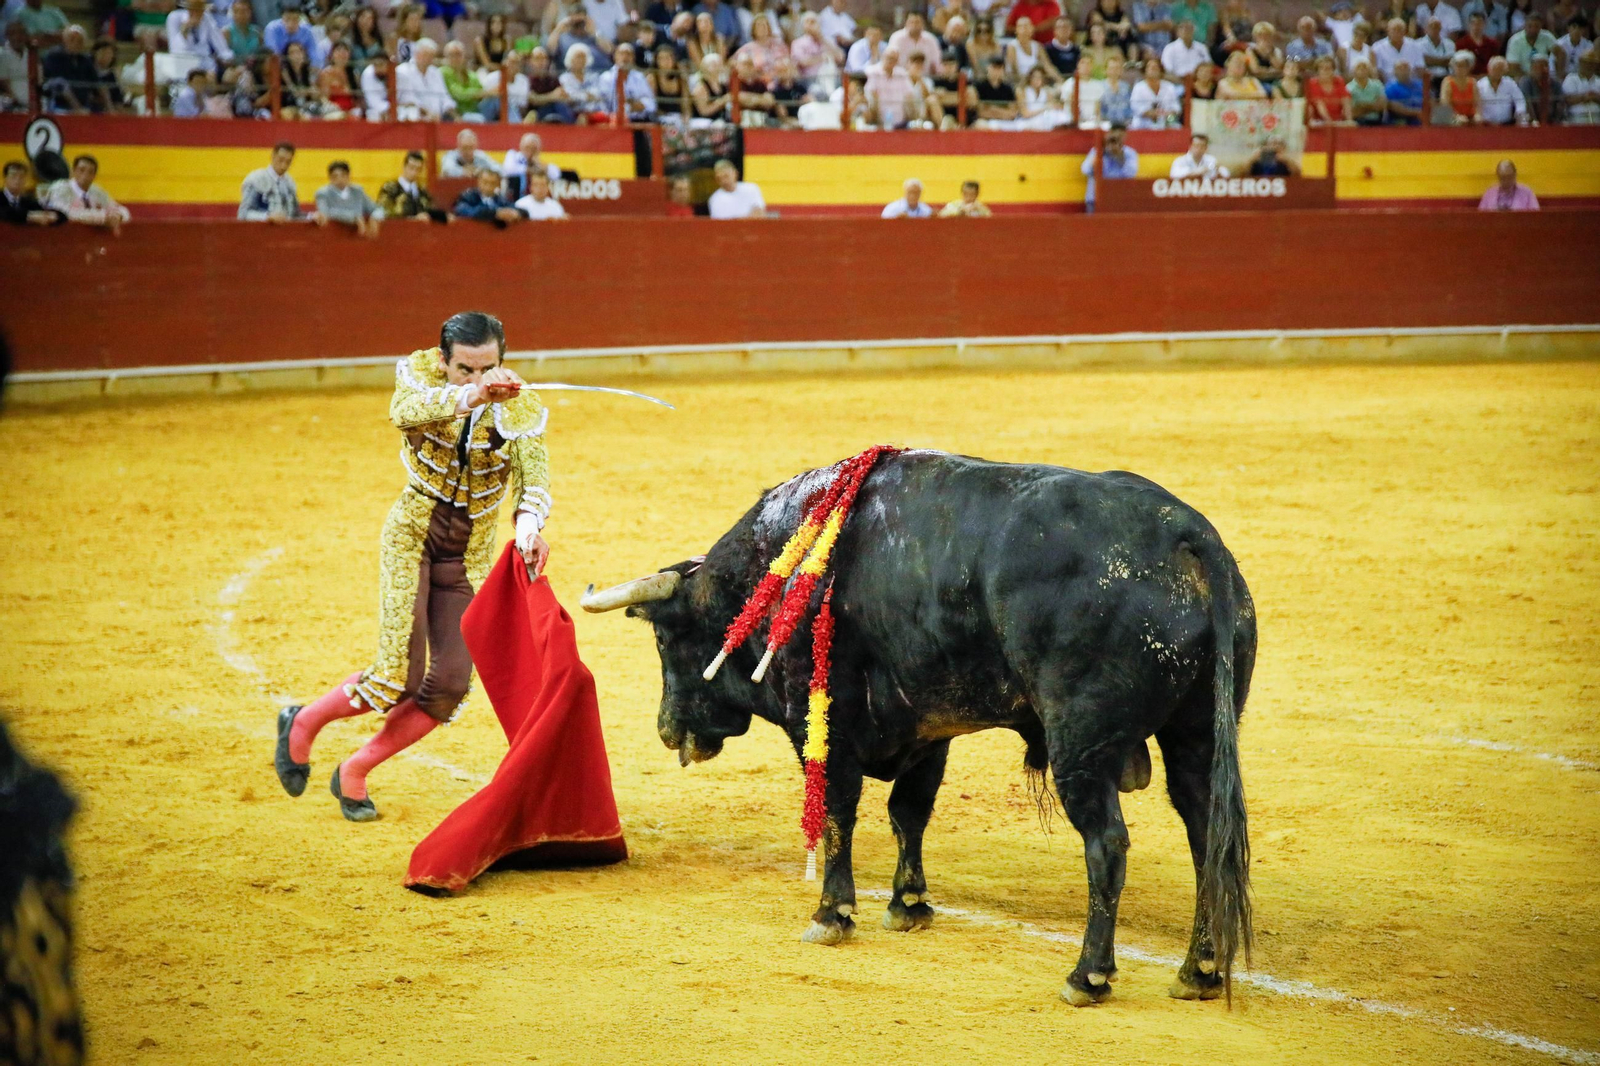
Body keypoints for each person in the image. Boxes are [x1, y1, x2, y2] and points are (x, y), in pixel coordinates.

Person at [274, 312, 551, 821]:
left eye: (487, 367)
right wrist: (472, 397)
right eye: (465, 368)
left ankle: (354, 770)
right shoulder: (420, 378)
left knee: (448, 686)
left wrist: (529, 528)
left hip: (466, 556)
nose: (478, 377)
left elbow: (534, 478)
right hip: (412, 537)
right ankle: (302, 722)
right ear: (444, 361)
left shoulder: (520, 403)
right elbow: (406, 413)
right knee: (396, 676)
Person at [42, 152, 129, 229]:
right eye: (81, 170)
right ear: (74, 171)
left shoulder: (98, 192)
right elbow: (66, 214)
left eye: (90, 172)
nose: (85, 175)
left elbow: (122, 210)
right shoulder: (60, 189)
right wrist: (103, 217)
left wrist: (118, 216)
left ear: (94, 175)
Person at [1080, 121, 1138, 210]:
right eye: (1114, 137)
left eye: (1120, 137)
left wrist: (1119, 156)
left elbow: (1131, 174)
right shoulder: (1097, 151)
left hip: (1118, 198)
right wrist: (1102, 149)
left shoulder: (1129, 153)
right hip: (1095, 198)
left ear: (1125, 137)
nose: (1117, 140)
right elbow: (1085, 170)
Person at [314, 159, 381, 236]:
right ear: (330, 178)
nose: (340, 179)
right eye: (335, 176)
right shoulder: (323, 193)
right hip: (334, 236)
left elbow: (377, 209)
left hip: (359, 237)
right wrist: (354, 218)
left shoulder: (357, 191)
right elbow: (325, 213)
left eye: (343, 175)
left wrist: (374, 218)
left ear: (349, 176)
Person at [166, 0, 233, 76]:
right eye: (193, 10)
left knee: (213, 74)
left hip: (204, 61)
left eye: (199, 11)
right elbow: (175, 48)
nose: (196, 13)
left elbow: (218, 41)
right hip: (184, 60)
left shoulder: (207, 18)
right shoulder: (174, 18)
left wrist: (227, 57)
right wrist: (185, 31)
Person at [238, 142, 302, 221]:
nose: (283, 166)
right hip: (261, 232)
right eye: (280, 160)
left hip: (286, 232)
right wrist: (267, 217)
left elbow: (295, 215)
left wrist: (311, 217)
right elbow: (243, 214)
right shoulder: (256, 179)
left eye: (288, 162)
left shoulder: (290, 183)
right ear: (272, 156)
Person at [41, 24, 97, 113]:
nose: (76, 43)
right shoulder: (54, 56)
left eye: (80, 41)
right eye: (72, 40)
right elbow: (59, 84)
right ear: (65, 40)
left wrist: (110, 109)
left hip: (84, 107)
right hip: (59, 106)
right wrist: (78, 109)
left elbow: (97, 83)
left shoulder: (85, 60)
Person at [396, 38, 453, 121]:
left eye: (431, 56)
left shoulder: (436, 72)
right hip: (413, 118)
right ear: (416, 54)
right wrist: (428, 113)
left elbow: (444, 96)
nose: (429, 59)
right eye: (426, 55)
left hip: (437, 119)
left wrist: (450, 110)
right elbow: (408, 99)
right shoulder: (403, 71)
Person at [599, 41, 657, 120]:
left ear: (633, 58)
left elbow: (651, 103)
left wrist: (641, 105)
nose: (625, 57)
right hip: (613, 122)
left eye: (628, 54)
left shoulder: (639, 77)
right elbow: (604, 103)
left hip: (638, 121)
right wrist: (627, 107)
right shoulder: (606, 77)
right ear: (615, 56)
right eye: (622, 54)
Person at [378, 151, 444, 220]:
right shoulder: (389, 189)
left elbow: (431, 210)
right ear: (404, 167)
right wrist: (413, 219)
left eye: (418, 169)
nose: (414, 172)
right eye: (411, 167)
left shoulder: (422, 192)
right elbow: (384, 212)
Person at [502, 132, 562, 200]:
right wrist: (529, 169)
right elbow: (507, 169)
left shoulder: (540, 163)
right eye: (527, 147)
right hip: (514, 198)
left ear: (539, 150)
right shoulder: (513, 156)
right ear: (521, 146)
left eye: (533, 148)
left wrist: (539, 164)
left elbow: (556, 175)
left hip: (535, 201)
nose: (530, 151)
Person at [1, 159, 62, 224]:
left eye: (21, 177)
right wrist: (31, 216)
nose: (17, 180)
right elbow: (6, 214)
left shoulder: (28, 201)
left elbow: (46, 211)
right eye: (13, 176)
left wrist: (52, 215)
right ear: (5, 178)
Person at [441, 39, 489, 120]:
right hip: (458, 113)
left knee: (495, 101)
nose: (456, 58)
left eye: (459, 54)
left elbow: (481, 92)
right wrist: (479, 94)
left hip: (476, 109)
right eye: (452, 55)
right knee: (479, 119)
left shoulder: (472, 75)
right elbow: (458, 94)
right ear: (446, 57)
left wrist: (487, 94)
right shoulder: (444, 72)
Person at [453, 167, 522, 224]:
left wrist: (515, 213)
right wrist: (495, 213)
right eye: (485, 182)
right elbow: (462, 210)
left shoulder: (501, 199)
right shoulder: (468, 196)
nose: (488, 186)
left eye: (492, 183)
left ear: (498, 185)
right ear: (479, 182)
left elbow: (518, 210)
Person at [1129, 55, 1181, 124]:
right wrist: (1150, 113)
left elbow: (1176, 107)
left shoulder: (1169, 87)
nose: (1153, 70)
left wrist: (1168, 113)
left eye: (1156, 67)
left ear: (1160, 70)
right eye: (1150, 67)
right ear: (1145, 70)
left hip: (1165, 123)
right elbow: (1135, 107)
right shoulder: (1139, 87)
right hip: (1143, 124)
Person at [264, 2, 318, 66]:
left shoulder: (307, 30)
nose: (291, 23)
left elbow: (314, 53)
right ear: (282, 18)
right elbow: (273, 53)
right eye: (287, 19)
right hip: (278, 65)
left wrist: (314, 66)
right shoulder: (272, 29)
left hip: (301, 66)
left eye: (295, 19)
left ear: (300, 19)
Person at [1477, 53, 1527, 122]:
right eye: (1495, 69)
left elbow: (1520, 100)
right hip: (1486, 124)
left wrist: (1520, 113)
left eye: (1500, 69)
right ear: (1489, 69)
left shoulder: (1509, 83)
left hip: (1506, 123)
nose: (1497, 72)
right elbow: (1476, 104)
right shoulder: (1480, 84)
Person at [1504, 10, 1554, 75]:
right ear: (1524, 25)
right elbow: (1512, 67)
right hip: (1522, 76)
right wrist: (1530, 78)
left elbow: (1560, 52)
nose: (1533, 29)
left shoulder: (1547, 36)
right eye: (1530, 26)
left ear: (1541, 26)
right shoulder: (1515, 41)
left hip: (1543, 76)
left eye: (1536, 26)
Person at [1518, 52, 1562, 123]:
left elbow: (1560, 102)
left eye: (1546, 66)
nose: (1543, 69)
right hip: (1532, 120)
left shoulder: (1555, 83)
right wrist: (1534, 121)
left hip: (1552, 120)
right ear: (1532, 67)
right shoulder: (1525, 82)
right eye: (1539, 66)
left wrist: (1556, 121)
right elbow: (1527, 102)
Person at [1307, 51, 1351, 119]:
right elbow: (1319, 104)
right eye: (1322, 68)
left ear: (1333, 70)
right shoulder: (1313, 83)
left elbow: (1346, 101)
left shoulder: (1339, 81)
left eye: (1328, 68)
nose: (1325, 71)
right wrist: (1330, 123)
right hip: (1318, 120)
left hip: (1338, 119)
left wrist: (1349, 120)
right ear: (1317, 70)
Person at [975, 56, 1019, 122]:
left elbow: (1013, 112)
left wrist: (994, 109)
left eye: (1000, 68)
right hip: (986, 121)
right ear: (988, 68)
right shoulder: (979, 86)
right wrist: (1001, 113)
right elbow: (980, 112)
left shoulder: (1008, 88)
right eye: (994, 67)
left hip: (1005, 121)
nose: (997, 71)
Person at [1440, 49, 1480, 118]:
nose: (1460, 69)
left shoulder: (1473, 82)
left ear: (1469, 68)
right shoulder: (1447, 81)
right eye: (1457, 66)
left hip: (1470, 116)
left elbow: (1477, 104)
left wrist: (1477, 115)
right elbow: (1445, 105)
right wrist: (1456, 116)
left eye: (1463, 66)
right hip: (1452, 117)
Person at [1564, 49, 1599, 123]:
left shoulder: (1598, 80)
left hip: (1597, 116)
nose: (1589, 66)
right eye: (1586, 63)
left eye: (1592, 63)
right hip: (1576, 117)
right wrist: (1585, 97)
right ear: (1580, 63)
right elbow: (1568, 99)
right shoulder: (1571, 78)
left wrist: (1594, 97)